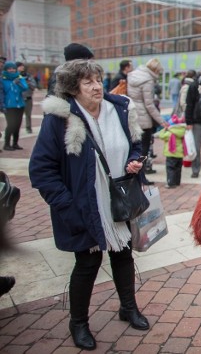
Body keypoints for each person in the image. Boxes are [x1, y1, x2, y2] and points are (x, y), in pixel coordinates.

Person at [29, 60, 150, 351]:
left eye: (98, 79)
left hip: (118, 200)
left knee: (123, 255)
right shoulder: (61, 118)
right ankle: (79, 323)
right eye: (88, 82)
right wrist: (68, 207)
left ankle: (128, 308)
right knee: (87, 263)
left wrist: (135, 161)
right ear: (72, 88)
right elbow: (41, 169)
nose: (97, 86)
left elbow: (136, 143)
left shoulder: (119, 108)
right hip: (84, 206)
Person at [127, 58, 170, 185]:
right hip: (143, 118)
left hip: (132, 115)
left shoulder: (134, 75)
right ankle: (141, 176)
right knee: (143, 151)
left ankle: (135, 176)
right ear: (155, 70)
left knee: (134, 149)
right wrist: (162, 121)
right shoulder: (148, 80)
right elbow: (149, 104)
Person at [2, 61, 28, 151]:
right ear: (6, 70)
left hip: (20, 105)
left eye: (13, 68)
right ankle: (6, 144)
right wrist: (2, 106)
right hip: (9, 106)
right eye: (9, 68)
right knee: (11, 125)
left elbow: (25, 88)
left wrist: (19, 83)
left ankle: (15, 143)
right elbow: (2, 93)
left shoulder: (19, 77)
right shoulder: (2, 79)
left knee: (17, 125)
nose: (12, 70)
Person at [158, 117, 187, 189]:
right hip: (180, 154)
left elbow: (161, 136)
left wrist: (164, 129)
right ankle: (177, 182)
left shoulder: (169, 133)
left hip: (171, 154)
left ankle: (171, 182)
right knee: (178, 168)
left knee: (170, 168)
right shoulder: (182, 131)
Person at [18, 62, 36, 134]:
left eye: (22, 66)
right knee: (17, 116)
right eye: (20, 66)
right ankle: (16, 129)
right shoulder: (14, 76)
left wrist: (27, 82)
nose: (22, 68)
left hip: (28, 98)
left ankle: (28, 128)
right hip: (19, 98)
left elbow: (34, 86)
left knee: (28, 115)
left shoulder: (28, 76)